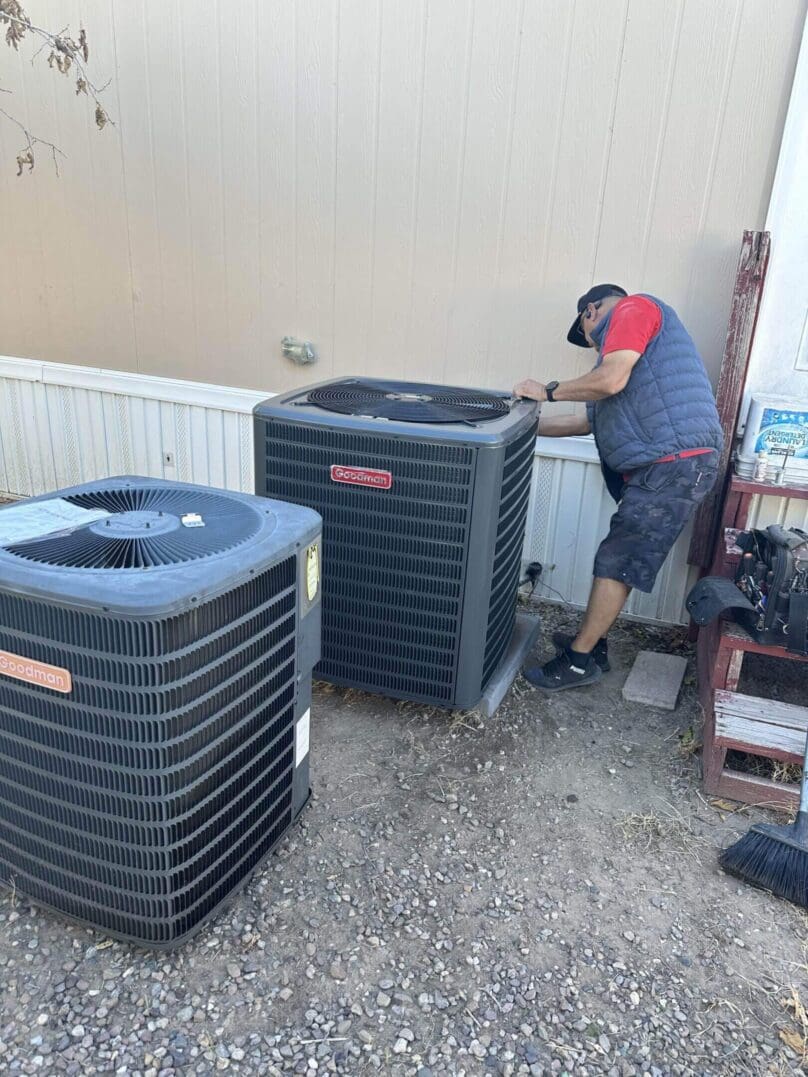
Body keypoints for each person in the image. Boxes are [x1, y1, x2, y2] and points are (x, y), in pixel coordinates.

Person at [513, 284, 723, 691]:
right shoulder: (619, 366)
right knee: (618, 557)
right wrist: (519, 427)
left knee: (617, 560)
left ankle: (577, 662)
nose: (593, 345)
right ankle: (592, 646)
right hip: (665, 466)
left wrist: (548, 391)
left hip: (673, 464)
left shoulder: (633, 310)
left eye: (588, 335)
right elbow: (584, 421)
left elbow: (608, 381)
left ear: (592, 310)